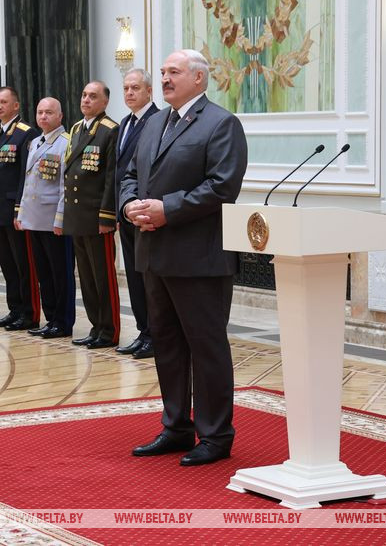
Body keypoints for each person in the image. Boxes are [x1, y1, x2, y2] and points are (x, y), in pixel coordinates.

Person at [120, 49, 248, 466]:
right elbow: (129, 175)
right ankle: (176, 426)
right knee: (168, 345)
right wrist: (129, 206)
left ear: (199, 78)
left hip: (199, 258)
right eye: (162, 72)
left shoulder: (221, 123)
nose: (165, 79)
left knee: (206, 348)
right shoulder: (155, 122)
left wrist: (167, 209)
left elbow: (222, 186)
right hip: (154, 253)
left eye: (173, 72)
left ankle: (215, 435)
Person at [58, 81, 120, 349]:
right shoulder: (75, 129)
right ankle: (96, 326)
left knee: (102, 277)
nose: (86, 100)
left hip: (96, 216)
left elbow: (111, 177)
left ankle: (109, 330)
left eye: (93, 96)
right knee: (86, 276)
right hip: (77, 215)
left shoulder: (110, 130)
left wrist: (107, 216)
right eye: (84, 95)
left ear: (104, 102)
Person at [0, 87, 41, 330]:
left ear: (16, 105)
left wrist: (19, 208)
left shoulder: (26, 133)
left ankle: (29, 313)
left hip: (13, 209)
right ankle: (14, 309)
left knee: (23, 264)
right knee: (7, 263)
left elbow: (26, 174)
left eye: (4, 102)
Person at [15, 97, 76, 339]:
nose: (43, 116)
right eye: (40, 112)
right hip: (34, 217)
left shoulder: (66, 143)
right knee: (44, 273)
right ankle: (50, 318)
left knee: (61, 274)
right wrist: (22, 213)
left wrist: (61, 219)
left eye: (49, 112)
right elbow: (28, 181)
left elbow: (64, 186)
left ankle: (63, 322)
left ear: (60, 116)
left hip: (52, 220)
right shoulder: (34, 142)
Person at [114, 68, 159, 359]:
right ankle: (143, 331)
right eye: (126, 88)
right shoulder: (125, 122)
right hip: (127, 211)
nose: (129, 93)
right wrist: (118, 209)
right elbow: (119, 172)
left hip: (145, 212)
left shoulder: (158, 120)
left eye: (135, 88)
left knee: (148, 278)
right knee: (132, 275)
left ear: (149, 91)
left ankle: (155, 334)